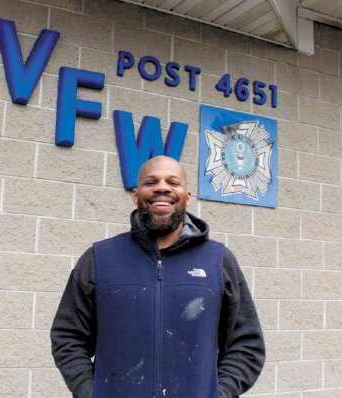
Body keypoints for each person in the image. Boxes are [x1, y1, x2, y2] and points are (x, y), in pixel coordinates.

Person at [50, 156, 265, 398]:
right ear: (136, 195)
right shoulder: (99, 258)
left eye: (173, 183)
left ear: (187, 197)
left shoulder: (219, 260)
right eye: (151, 182)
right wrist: (91, 392)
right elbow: (68, 337)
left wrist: (218, 393)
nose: (162, 187)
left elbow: (246, 344)